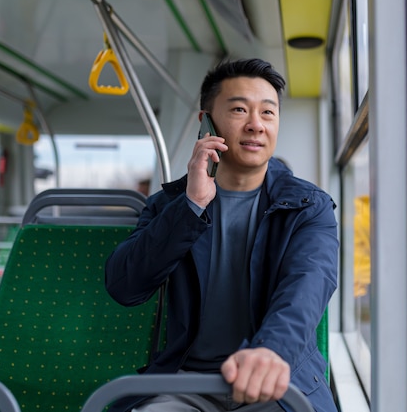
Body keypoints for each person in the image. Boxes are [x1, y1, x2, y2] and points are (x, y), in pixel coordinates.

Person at [104, 58, 339, 412]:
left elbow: (305, 291)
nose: (256, 125)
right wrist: (191, 205)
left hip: (276, 381)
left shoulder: (308, 207)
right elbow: (125, 285)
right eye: (240, 110)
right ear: (206, 123)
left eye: (268, 113)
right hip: (186, 383)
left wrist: (269, 353)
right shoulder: (169, 205)